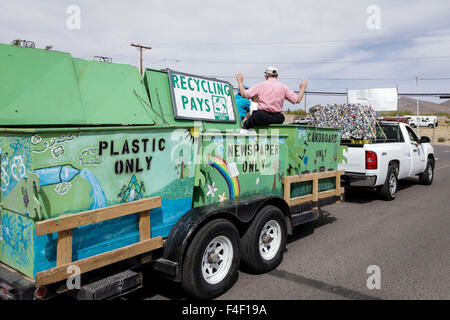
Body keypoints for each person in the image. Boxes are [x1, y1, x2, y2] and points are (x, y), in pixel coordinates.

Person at [236, 66, 308, 129]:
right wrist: (302, 88)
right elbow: (297, 100)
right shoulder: (283, 87)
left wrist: (240, 81)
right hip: (277, 118)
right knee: (282, 116)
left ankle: (245, 129)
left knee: (249, 122)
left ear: (267, 75)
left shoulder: (261, 85)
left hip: (262, 117)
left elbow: (243, 94)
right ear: (276, 76)